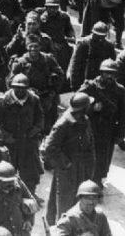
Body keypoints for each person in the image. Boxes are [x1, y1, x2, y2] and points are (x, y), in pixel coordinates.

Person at [44, 92, 96, 224]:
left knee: (79, 200)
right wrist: (65, 164)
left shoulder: (84, 120)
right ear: (84, 108)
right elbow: (49, 148)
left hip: (82, 167)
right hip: (68, 170)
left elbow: (90, 141)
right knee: (64, 202)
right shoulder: (64, 123)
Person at [0, 73, 44, 196]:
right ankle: (7, 195)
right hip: (10, 144)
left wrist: (35, 130)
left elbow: (40, 117)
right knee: (6, 171)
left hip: (28, 142)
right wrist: (6, 137)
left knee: (30, 174)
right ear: (11, 87)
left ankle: (29, 195)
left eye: (23, 88)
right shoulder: (2, 101)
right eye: (16, 87)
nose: (19, 90)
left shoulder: (34, 99)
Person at [78, 59, 125, 185]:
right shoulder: (90, 86)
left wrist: (120, 134)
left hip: (107, 129)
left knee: (103, 158)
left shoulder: (120, 90)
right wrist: (91, 107)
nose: (109, 76)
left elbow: (123, 113)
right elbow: (76, 103)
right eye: (106, 73)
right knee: (87, 154)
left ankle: (97, 180)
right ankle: (85, 180)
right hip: (90, 127)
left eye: (112, 73)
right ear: (101, 73)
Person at [0, 161, 37, 236]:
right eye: (6, 182)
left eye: (12, 181)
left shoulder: (18, 184)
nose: (11, 184)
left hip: (21, 231)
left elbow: (31, 202)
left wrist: (29, 220)